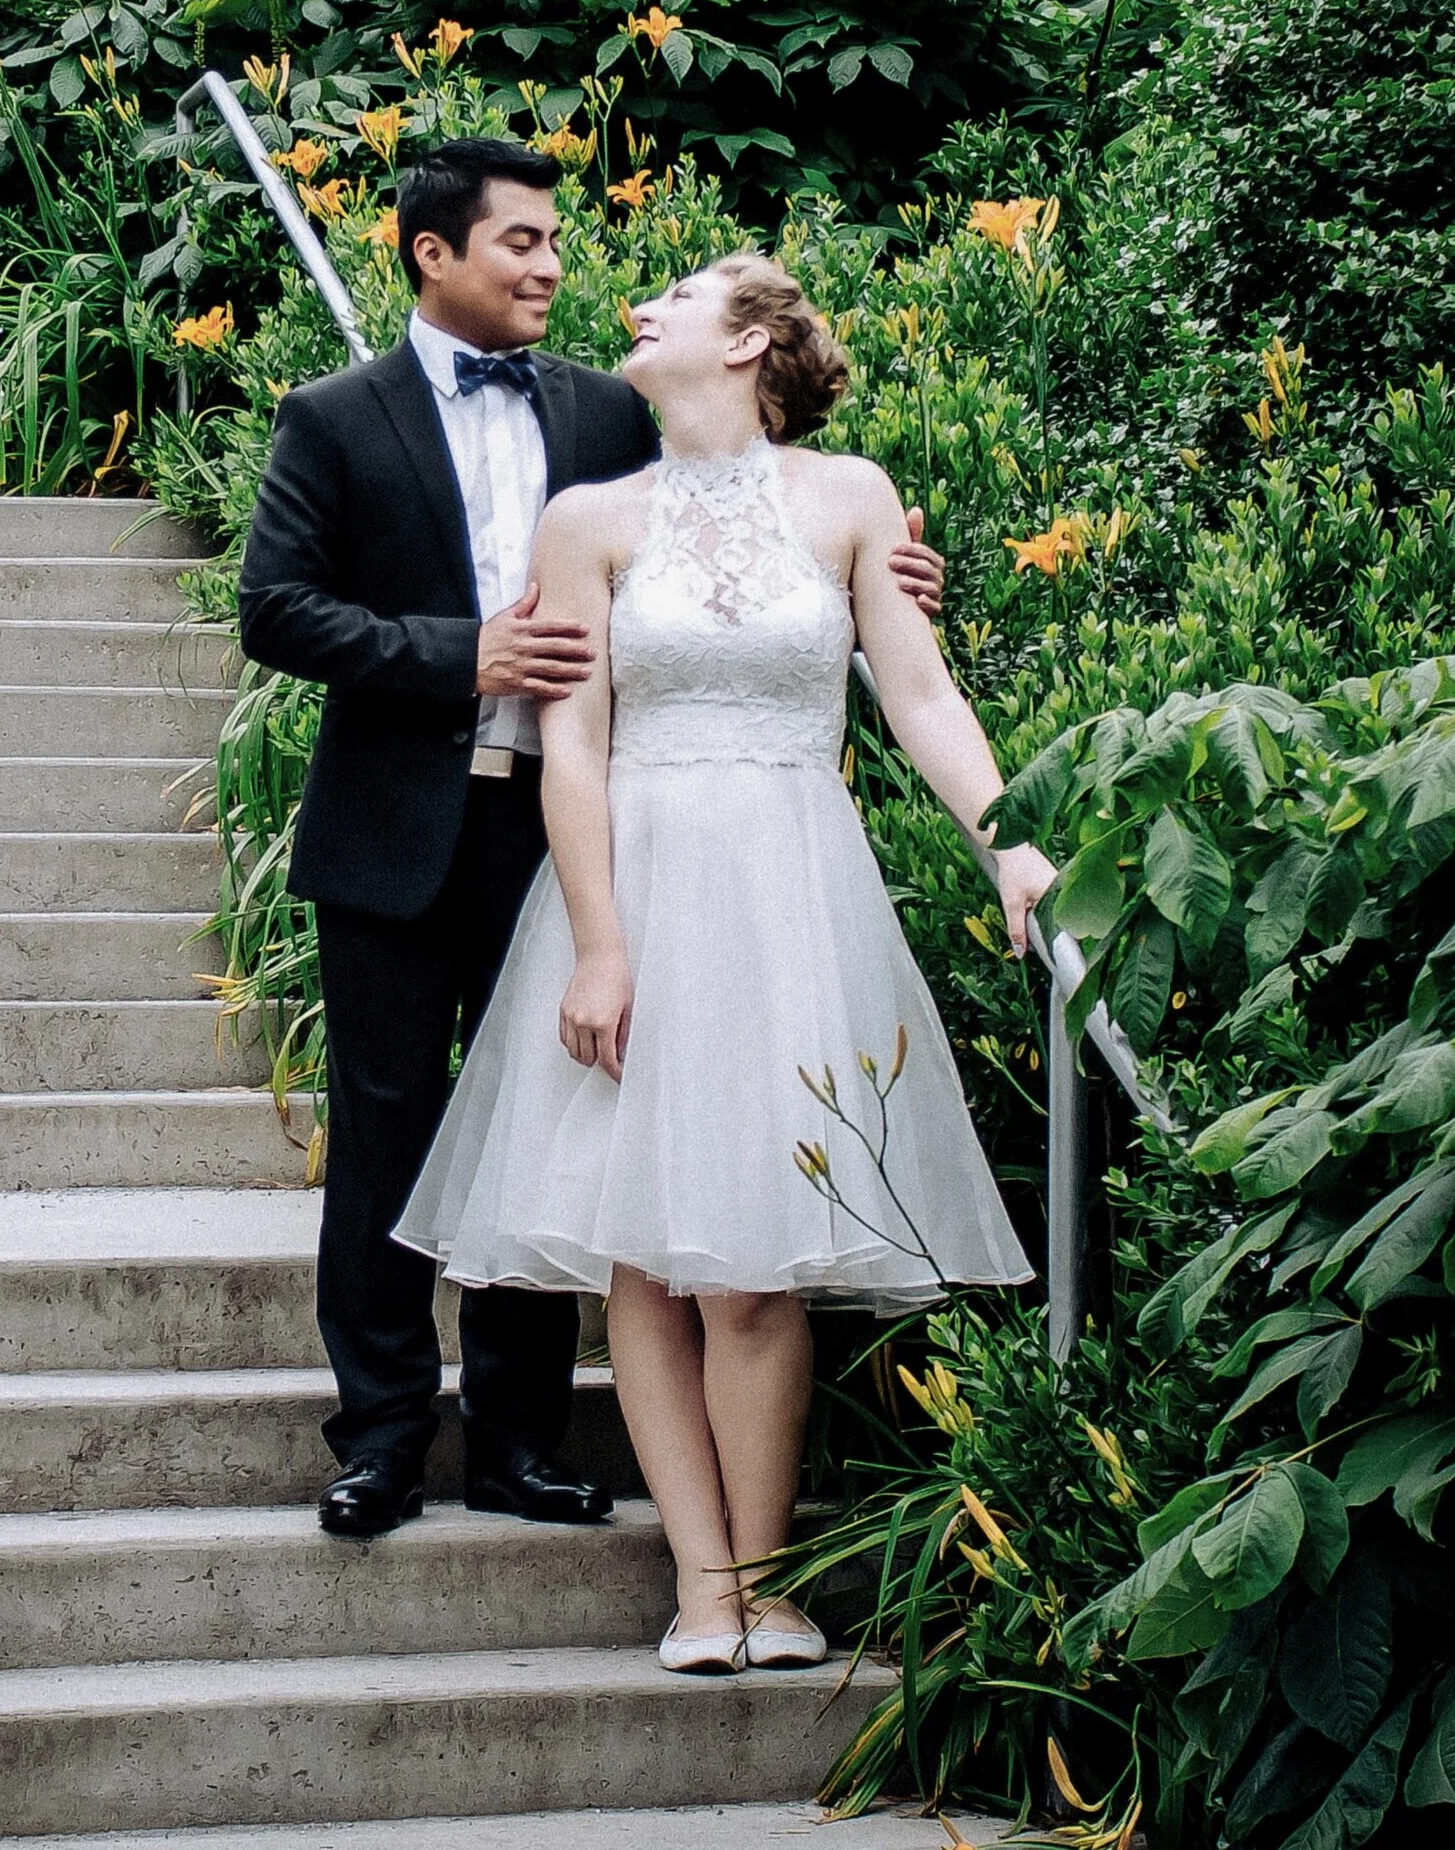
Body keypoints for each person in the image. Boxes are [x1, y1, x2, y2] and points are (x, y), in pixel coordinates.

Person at [238, 149, 945, 1541]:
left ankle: (516, 1434)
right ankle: (382, 1434)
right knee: (387, 1130)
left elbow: (736, 515)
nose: (552, 266)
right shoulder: (332, 417)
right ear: (433, 254)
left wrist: (898, 568)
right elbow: (277, 609)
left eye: (555, 239)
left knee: (552, 1129)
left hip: (579, 825)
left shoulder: (608, 412)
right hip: (396, 827)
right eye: (519, 241)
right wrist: (463, 652)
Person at [396, 250, 1053, 1670]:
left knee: (759, 1267)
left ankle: (773, 1580)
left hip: (793, 887)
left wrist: (1009, 843)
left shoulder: (853, 498)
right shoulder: (588, 520)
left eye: (676, 295)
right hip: (638, 877)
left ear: (751, 339)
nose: (639, 305)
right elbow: (569, 749)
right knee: (646, 1253)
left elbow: (919, 690)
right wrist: (600, 946)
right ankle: (702, 1585)